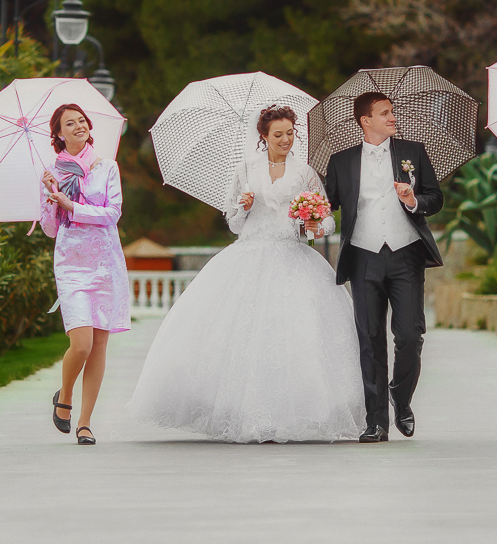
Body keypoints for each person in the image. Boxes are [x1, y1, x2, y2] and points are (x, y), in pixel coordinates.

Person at [127, 106, 365, 443]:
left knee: (293, 336)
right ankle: (241, 412)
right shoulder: (246, 170)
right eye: (278, 134)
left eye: (290, 133)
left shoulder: (305, 172)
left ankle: (293, 413)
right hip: (249, 254)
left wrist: (314, 224)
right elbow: (235, 224)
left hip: (292, 255)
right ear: (264, 137)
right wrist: (244, 206)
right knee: (241, 335)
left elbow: (325, 221)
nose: (285, 139)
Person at [323, 92, 444, 443]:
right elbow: (325, 206)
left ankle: (401, 397)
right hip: (362, 256)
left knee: (409, 335)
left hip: (406, 254)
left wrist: (413, 200)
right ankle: (375, 421)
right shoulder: (341, 161)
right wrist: (308, 217)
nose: (393, 118)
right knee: (370, 338)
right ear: (366, 120)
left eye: (392, 112)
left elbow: (435, 198)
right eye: (385, 113)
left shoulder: (413, 152)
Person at [41, 103, 127, 446]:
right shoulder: (52, 172)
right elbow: (49, 229)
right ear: (59, 134)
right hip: (71, 263)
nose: (78, 126)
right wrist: (51, 201)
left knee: (100, 344)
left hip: (105, 262)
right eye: (69, 123)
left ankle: (85, 422)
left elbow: (112, 213)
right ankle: (65, 395)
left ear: (89, 128)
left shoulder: (106, 167)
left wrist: (71, 205)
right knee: (82, 343)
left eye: (81, 121)